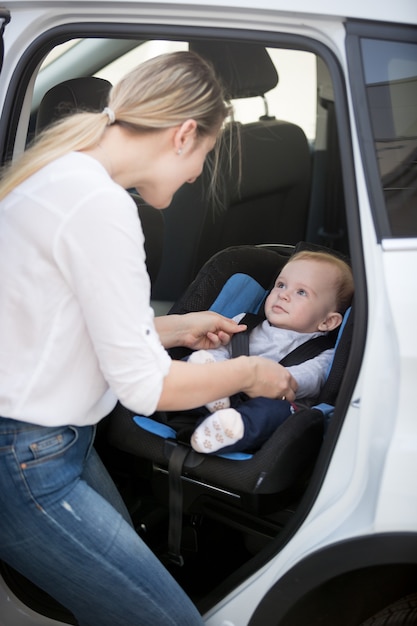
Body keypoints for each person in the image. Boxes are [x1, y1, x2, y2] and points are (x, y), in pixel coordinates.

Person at [0, 51, 297, 626]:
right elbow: (146, 387)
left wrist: (179, 327)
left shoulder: (61, 174)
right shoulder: (100, 205)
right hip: (27, 459)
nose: (194, 177)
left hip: (49, 444)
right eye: (205, 157)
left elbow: (59, 325)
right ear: (185, 134)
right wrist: (252, 373)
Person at [188, 250, 354, 455]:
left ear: (327, 321)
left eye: (301, 292)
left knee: (276, 414)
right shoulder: (243, 322)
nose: (283, 294)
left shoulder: (324, 353)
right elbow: (220, 347)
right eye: (281, 285)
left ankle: (226, 429)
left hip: (273, 401)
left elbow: (311, 379)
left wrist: (274, 380)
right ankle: (211, 397)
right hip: (223, 387)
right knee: (199, 359)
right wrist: (218, 368)